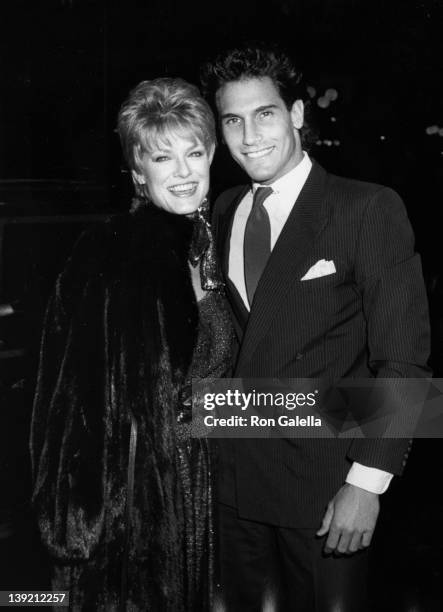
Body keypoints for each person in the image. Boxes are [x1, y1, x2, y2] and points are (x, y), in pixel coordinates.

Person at [201, 43, 430, 611]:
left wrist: (367, 483)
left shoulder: (367, 208)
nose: (249, 135)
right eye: (233, 119)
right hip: (231, 485)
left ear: (297, 115)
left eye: (265, 114)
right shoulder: (222, 209)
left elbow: (402, 360)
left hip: (324, 486)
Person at [30, 78, 233, 611]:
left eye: (194, 152)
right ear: (138, 171)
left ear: (212, 153)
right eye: (164, 158)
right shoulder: (109, 250)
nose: (184, 171)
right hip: (139, 503)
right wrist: (78, 522)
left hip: (209, 494)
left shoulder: (211, 243)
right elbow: (67, 394)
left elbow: (219, 395)